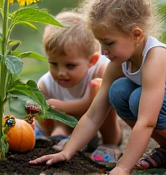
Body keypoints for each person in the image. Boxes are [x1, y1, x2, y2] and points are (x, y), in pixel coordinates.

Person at [30, 0, 166, 175]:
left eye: (109, 42)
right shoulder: (118, 62)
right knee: (119, 91)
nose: (103, 51)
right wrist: (67, 151)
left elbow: (147, 121)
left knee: (140, 99)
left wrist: (123, 168)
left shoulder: (156, 58)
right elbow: (94, 115)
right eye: (100, 42)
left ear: (136, 35)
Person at [33, 10, 122, 152]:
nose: (61, 73)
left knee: (100, 89)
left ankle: (109, 145)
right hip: (72, 126)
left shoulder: (100, 70)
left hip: (100, 124)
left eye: (70, 66)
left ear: (91, 61)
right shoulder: (46, 83)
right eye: (54, 64)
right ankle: (61, 136)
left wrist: (62, 106)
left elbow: (94, 106)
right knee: (44, 105)